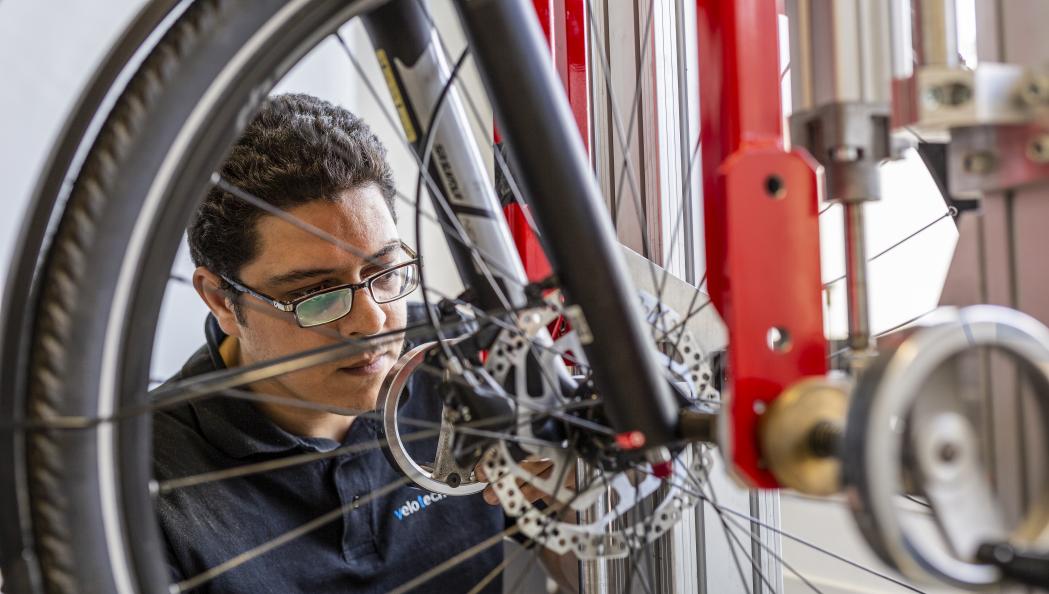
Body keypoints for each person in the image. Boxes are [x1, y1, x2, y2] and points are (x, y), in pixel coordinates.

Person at [153, 93, 512, 593]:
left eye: (383, 272)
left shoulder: (467, 362)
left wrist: (567, 488)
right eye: (315, 293)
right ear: (220, 300)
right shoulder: (141, 485)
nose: (370, 321)